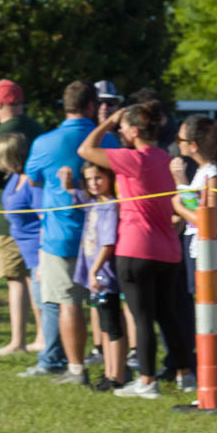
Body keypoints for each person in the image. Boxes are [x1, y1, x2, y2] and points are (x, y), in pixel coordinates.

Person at [78, 101, 192, 399]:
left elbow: (86, 150)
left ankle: (147, 380)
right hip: (168, 248)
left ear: (134, 130)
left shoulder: (134, 158)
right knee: (168, 316)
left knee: (142, 318)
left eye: (123, 127)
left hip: (136, 248)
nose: (120, 131)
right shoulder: (166, 159)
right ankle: (185, 374)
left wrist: (105, 123)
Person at [21, 81, 117, 382]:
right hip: (104, 236)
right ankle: (117, 367)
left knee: (67, 302)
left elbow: (32, 180)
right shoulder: (110, 142)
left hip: (60, 235)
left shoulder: (44, 142)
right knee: (107, 303)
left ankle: (76, 368)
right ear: (92, 105)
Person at [172, 115, 217, 392]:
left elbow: (208, 223)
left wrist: (178, 205)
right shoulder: (206, 173)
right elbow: (199, 214)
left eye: (180, 139)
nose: (176, 144)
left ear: (193, 145)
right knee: (208, 322)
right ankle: (213, 386)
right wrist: (181, 186)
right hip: (203, 249)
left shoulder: (214, 175)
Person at [0, 79, 45, 356]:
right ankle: (44, 334)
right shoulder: (37, 129)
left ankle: (18, 340)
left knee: (15, 280)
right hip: (35, 217)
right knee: (36, 278)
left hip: (5, 215)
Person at [58, 162, 126, 389]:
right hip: (96, 276)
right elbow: (78, 197)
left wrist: (95, 270)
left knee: (112, 325)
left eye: (98, 178)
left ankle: (117, 376)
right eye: (89, 180)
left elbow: (108, 243)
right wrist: (68, 185)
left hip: (105, 276)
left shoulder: (109, 206)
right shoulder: (96, 203)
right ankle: (109, 373)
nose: (93, 184)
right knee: (105, 326)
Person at [0, 133, 50, 363]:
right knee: (36, 297)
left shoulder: (32, 182)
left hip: (37, 249)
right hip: (24, 249)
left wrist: (43, 258)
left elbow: (44, 218)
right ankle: (39, 339)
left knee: (43, 299)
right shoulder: (14, 178)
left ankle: (46, 343)